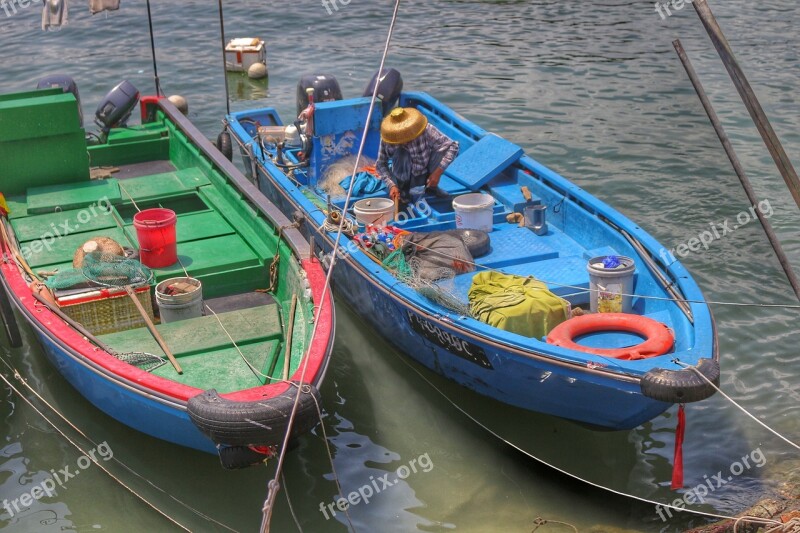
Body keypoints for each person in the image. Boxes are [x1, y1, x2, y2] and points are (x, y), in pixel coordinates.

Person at [376, 107, 459, 206]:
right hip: (402, 175)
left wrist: (437, 173)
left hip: (424, 171)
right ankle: (403, 190)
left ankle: (430, 186)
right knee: (402, 153)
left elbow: (453, 146)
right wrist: (391, 185)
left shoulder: (426, 129)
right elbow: (380, 163)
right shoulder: (388, 137)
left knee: (443, 148)